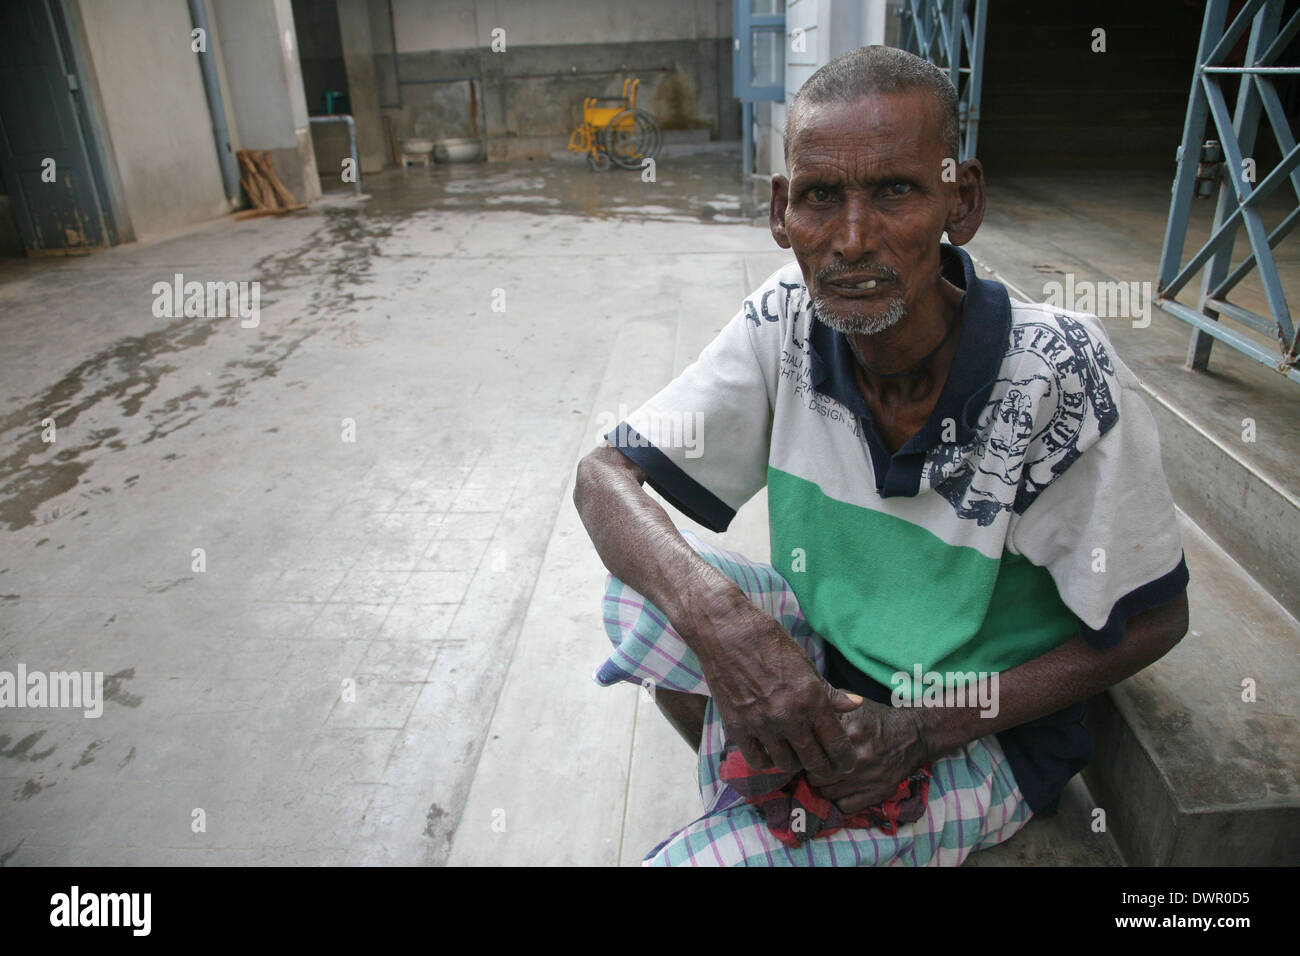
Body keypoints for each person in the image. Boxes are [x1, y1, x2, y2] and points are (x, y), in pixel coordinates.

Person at [573, 45, 1189, 866]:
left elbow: (1156, 619)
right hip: (833, 665)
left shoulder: (1058, 374)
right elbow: (602, 477)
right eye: (822, 198)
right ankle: (782, 792)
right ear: (781, 212)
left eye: (895, 191)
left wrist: (921, 730)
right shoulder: (783, 321)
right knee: (646, 592)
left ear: (959, 202)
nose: (852, 240)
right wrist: (723, 625)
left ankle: (796, 811)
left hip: (983, 734)